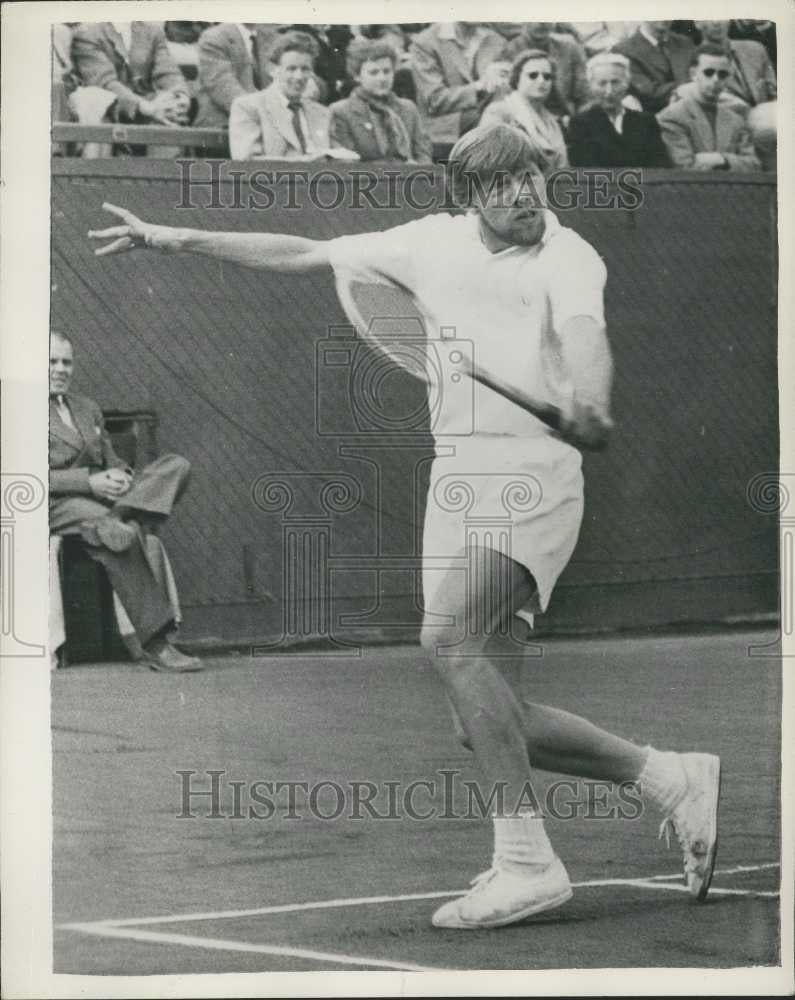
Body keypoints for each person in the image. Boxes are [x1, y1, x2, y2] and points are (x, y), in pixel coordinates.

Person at [87, 122, 722, 929]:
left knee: (450, 639)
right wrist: (174, 237)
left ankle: (526, 863)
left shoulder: (569, 255)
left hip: (531, 473)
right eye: (500, 184)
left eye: (530, 176)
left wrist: (590, 399)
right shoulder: (426, 243)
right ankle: (669, 778)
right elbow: (301, 252)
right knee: (478, 715)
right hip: (454, 472)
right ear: (469, 197)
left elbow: (582, 336)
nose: (522, 193)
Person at [49, 331, 202, 673]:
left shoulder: (86, 407)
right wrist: (89, 482)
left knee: (176, 465)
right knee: (111, 534)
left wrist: (122, 478)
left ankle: (119, 515)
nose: (60, 369)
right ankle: (157, 643)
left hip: (103, 500)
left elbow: (112, 460)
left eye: (66, 362)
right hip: (55, 504)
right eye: (51, 361)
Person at [228, 31, 358, 161]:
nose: (299, 77)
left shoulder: (322, 113)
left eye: (305, 69)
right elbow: (246, 161)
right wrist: (302, 162)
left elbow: (339, 157)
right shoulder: (249, 107)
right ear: (273, 70)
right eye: (291, 69)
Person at [70, 21, 191, 157]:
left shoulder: (152, 31)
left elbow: (168, 71)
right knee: (101, 119)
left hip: (151, 108)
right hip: (112, 107)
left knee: (168, 119)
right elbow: (105, 82)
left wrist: (180, 96)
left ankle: (163, 176)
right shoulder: (87, 32)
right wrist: (146, 107)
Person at [409, 22, 510, 160]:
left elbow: (505, 89)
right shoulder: (425, 42)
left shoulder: (495, 40)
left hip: (490, 116)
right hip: (445, 126)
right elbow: (435, 100)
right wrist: (479, 86)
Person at [657, 44, 760, 171]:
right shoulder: (671, 117)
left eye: (722, 74)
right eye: (708, 72)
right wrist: (734, 162)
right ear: (693, 74)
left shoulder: (736, 121)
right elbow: (684, 166)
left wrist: (722, 159)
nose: (716, 79)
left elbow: (754, 166)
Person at [329, 38, 431, 163]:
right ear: (357, 76)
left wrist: (419, 171)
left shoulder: (408, 108)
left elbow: (423, 152)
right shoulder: (342, 112)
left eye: (387, 71)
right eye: (373, 72)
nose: (382, 78)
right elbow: (348, 163)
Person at [567, 52, 670, 168]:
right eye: (602, 83)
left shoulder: (646, 122)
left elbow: (661, 168)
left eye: (615, 82)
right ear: (591, 86)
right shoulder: (580, 124)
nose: (609, 91)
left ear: (626, 84)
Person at [480, 50, 568, 174]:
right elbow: (486, 161)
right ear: (517, 78)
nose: (541, 81)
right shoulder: (499, 112)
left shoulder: (552, 120)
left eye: (547, 77)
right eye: (533, 75)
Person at [194, 22, 280, 131]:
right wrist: (267, 115)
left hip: (266, 124)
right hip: (223, 125)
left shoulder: (272, 38)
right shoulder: (214, 37)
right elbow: (224, 89)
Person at [504, 22, 589, 120]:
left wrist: (577, 121)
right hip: (525, 119)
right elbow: (507, 98)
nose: (542, 22)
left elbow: (583, 95)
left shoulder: (569, 49)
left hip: (565, 119)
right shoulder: (508, 52)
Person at [613, 21, 695, 114]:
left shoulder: (684, 43)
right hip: (655, 117)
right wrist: (683, 89)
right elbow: (649, 93)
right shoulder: (625, 50)